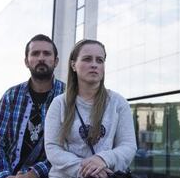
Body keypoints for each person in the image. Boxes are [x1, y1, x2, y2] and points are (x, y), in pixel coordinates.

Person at [44, 39, 137, 178]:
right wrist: (87, 170)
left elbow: (128, 146)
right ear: (73, 65)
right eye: (87, 59)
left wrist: (103, 159)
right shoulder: (59, 103)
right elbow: (53, 148)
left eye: (99, 60)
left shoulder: (118, 103)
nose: (94, 64)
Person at [0, 34, 65, 178]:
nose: (41, 58)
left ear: (56, 61)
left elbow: (71, 147)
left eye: (47, 53)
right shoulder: (11, 96)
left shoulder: (68, 96)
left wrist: (34, 174)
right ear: (26, 62)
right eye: (35, 53)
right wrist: (4, 175)